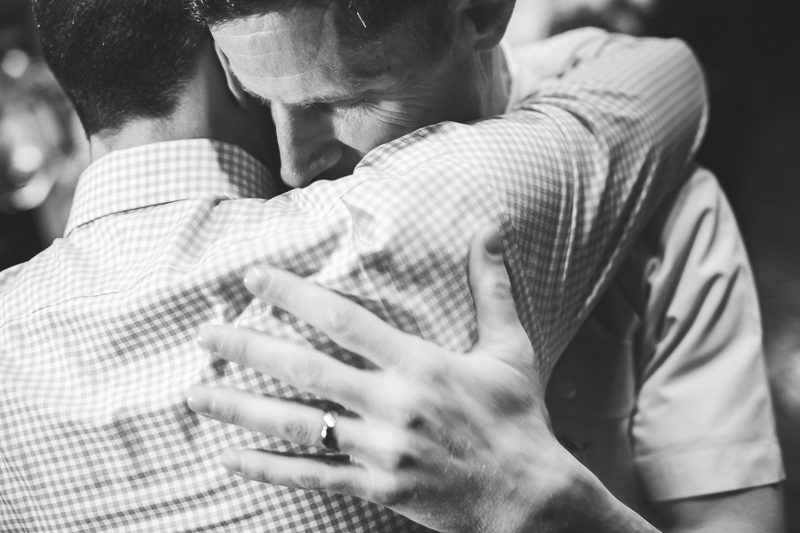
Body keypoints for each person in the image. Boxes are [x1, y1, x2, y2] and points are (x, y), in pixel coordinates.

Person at [0, 1, 739, 532]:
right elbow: (663, 75)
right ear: (222, 61)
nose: (294, 168)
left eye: (345, 98)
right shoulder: (395, 215)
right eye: (260, 97)